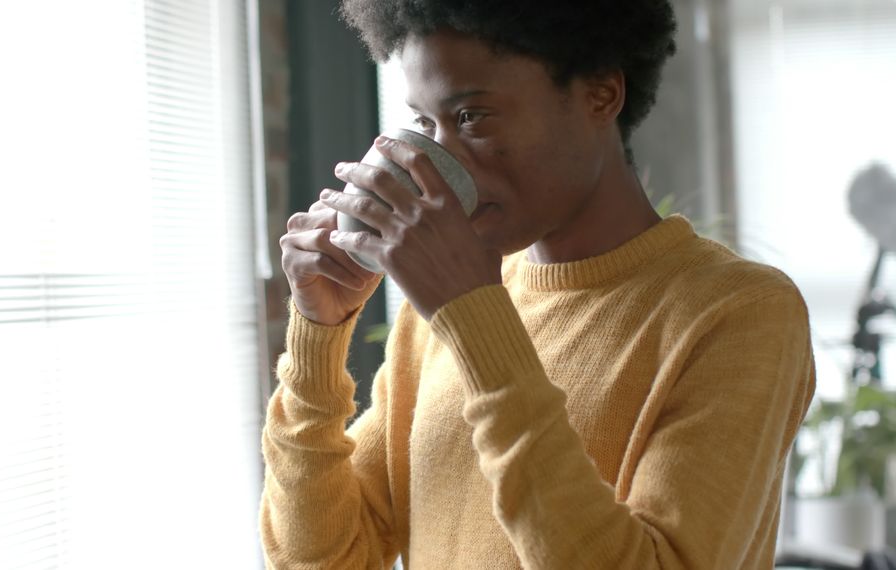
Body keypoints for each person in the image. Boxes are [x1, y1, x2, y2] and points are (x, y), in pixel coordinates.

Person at [260, 1, 816, 568]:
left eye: (472, 117)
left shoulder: (741, 313)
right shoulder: (442, 312)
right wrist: (317, 337)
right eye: (425, 125)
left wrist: (475, 321)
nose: (440, 164)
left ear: (600, 94)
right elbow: (325, 559)